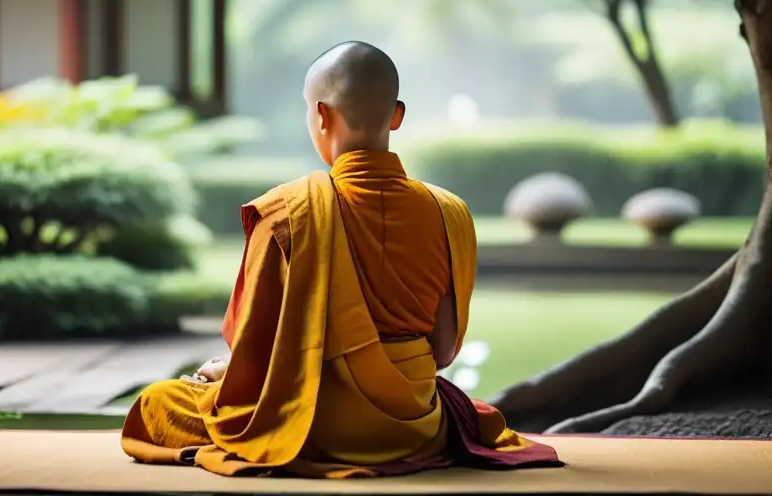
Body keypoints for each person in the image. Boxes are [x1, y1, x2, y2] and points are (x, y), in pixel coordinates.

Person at [120, 41, 560, 477]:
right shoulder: (450, 214)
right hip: (413, 428)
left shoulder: (287, 211)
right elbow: (443, 351)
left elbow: (253, 359)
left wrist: (223, 372)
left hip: (307, 423)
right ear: (397, 115)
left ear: (322, 116)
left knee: (157, 404)